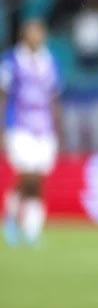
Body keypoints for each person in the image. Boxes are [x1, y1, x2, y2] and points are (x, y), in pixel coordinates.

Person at [1, 20, 61, 247]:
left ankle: (31, 229)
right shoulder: (11, 60)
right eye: (33, 32)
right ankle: (14, 218)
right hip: (19, 124)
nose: (37, 36)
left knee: (38, 179)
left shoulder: (50, 61)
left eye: (40, 32)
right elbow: (3, 95)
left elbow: (54, 97)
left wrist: (58, 128)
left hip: (44, 127)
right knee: (27, 175)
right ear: (24, 35)